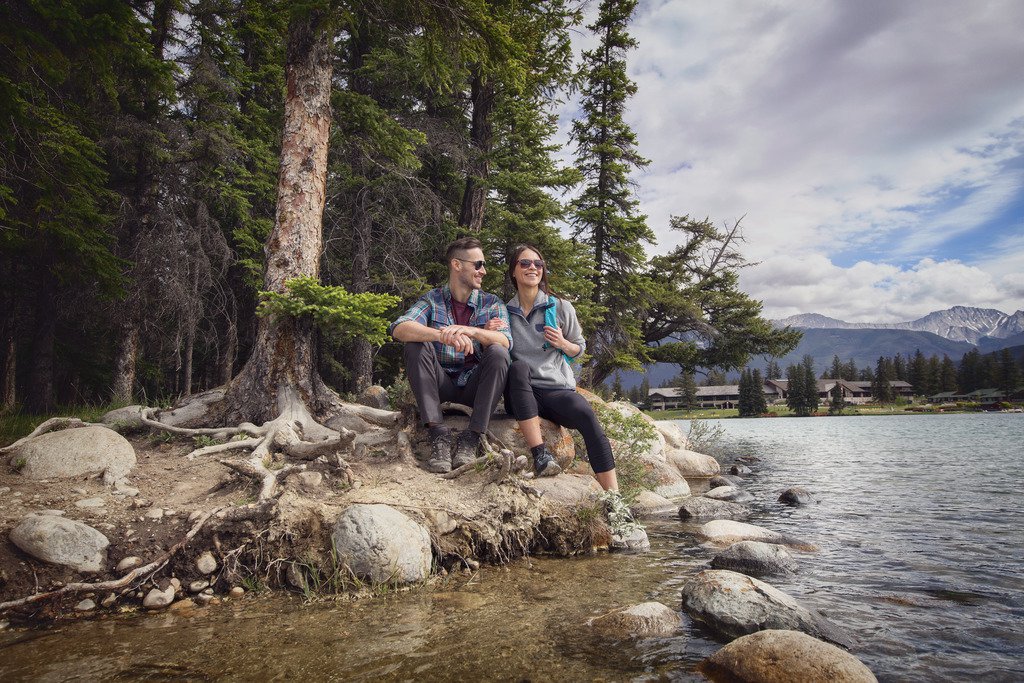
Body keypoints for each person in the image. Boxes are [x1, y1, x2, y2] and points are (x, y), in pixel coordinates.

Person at [486, 244, 641, 536]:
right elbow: (498, 350)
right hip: (522, 392)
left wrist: (562, 344)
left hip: (556, 390)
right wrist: (491, 330)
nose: (533, 268)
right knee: (518, 369)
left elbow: (578, 349)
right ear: (514, 271)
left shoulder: (560, 307)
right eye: (525, 263)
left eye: (538, 264)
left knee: (587, 416)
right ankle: (541, 454)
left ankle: (615, 502)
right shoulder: (504, 312)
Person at [390, 237, 512, 474]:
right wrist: (441, 335)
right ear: (457, 265)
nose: (483, 271)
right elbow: (399, 328)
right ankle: (438, 433)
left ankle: (474, 435)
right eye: (478, 264)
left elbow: (506, 341)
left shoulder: (491, 303)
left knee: (498, 352)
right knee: (416, 344)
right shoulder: (432, 299)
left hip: (475, 387)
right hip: (441, 384)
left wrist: (473, 331)